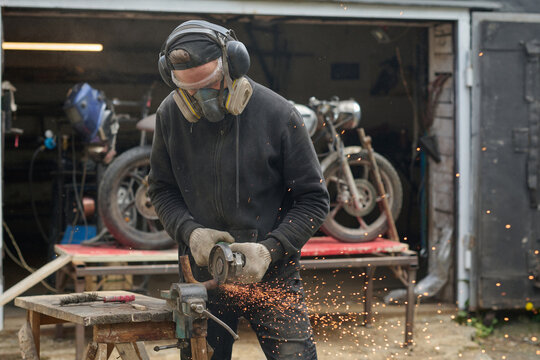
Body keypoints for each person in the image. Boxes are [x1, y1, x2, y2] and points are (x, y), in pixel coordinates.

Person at [148, 20, 329, 360]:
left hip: (272, 273)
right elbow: (161, 190)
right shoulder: (170, 115)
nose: (203, 99)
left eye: (212, 85)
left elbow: (314, 200)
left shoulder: (278, 113)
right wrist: (191, 233)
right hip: (202, 277)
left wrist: (270, 250)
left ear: (233, 64)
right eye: (191, 92)